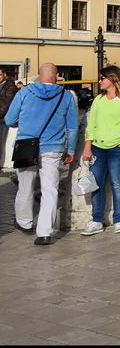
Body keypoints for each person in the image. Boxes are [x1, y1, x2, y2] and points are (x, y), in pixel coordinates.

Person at [5, 62, 78, 246]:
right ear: (58, 75)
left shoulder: (24, 93)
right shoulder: (66, 96)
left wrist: (24, 125)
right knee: (50, 190)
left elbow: (9, 119)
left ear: (39, 75)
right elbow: (72, 127)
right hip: (53, 147)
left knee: (25, 186)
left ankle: (25, 222)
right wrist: (70, 150)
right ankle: (45, 232)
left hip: (26, 145)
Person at [79, 66, 120, 236]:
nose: (99, 81)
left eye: (102, 78)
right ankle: (96, 220)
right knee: (96, 184)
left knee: (118, 184)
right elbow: (91, 125)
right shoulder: (98, 100)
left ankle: (118, 219)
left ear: (112, 79)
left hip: (118, 149)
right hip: (99, 147)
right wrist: (87, 147)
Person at [0, 70, 17, 162]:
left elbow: (6, 103)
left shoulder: (10, 86)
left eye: (0, 74)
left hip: (2, 119)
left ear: (4, 75)